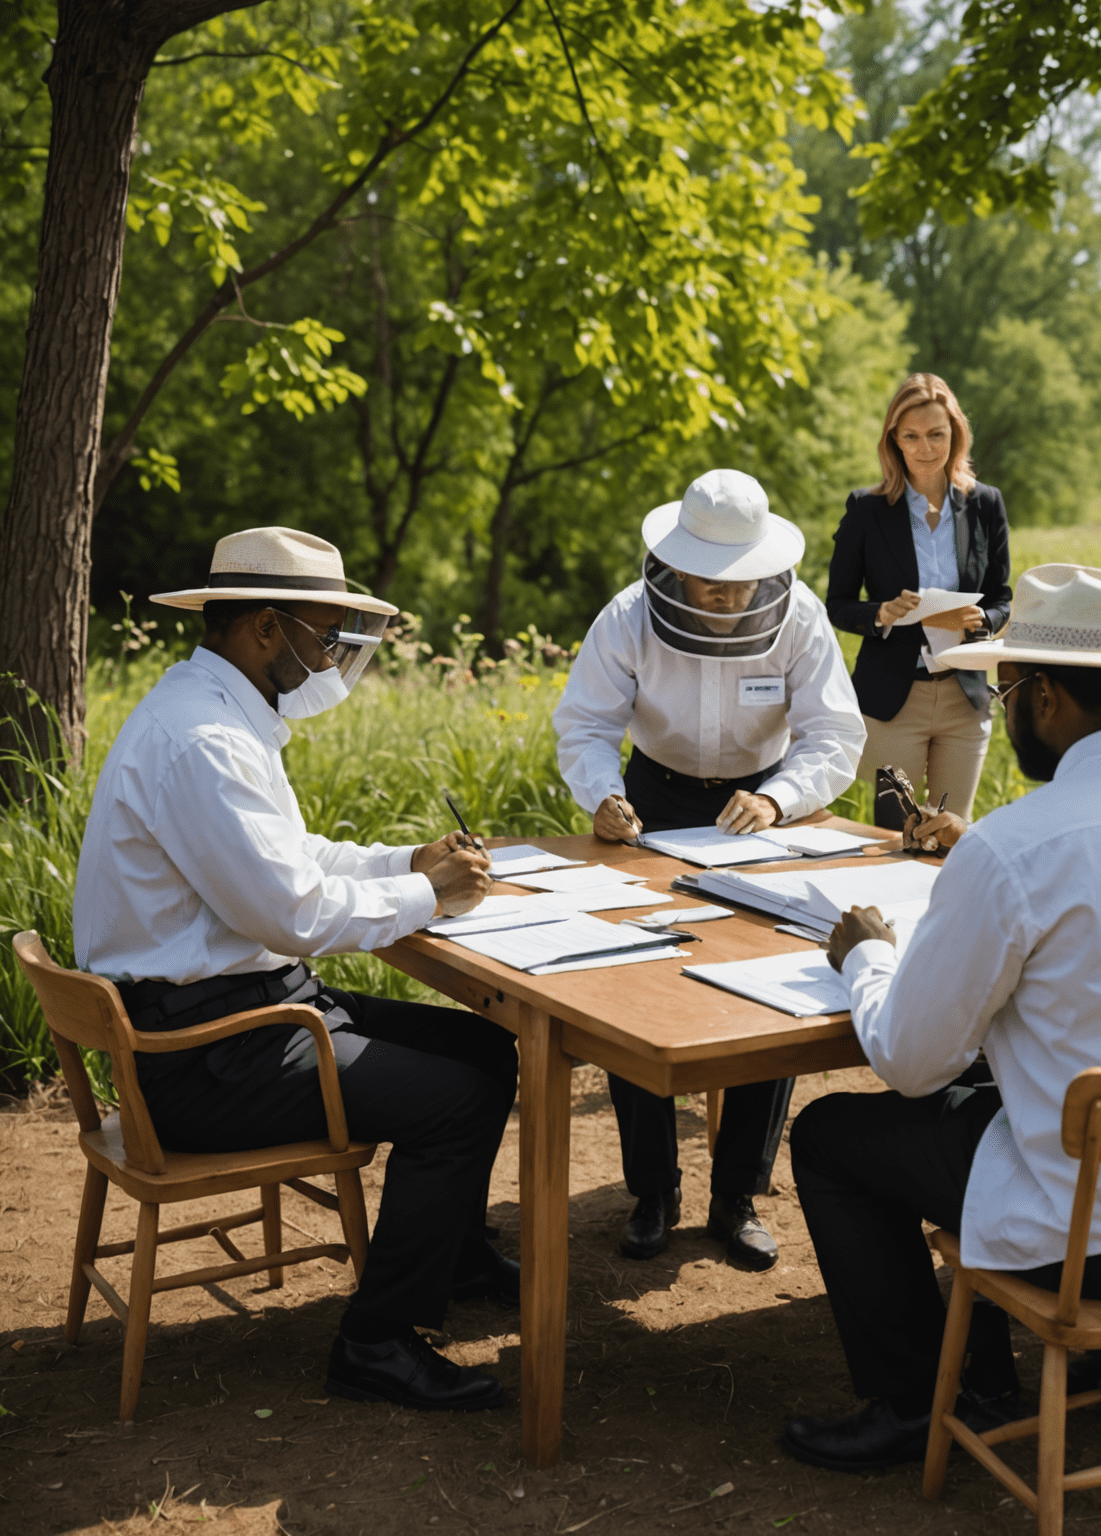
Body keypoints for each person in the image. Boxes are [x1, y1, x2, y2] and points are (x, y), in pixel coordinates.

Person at [779, 563, 1101, 1473]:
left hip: (1087, 1240)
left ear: (1049, 698)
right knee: (1007, 1085)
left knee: (832, 1134)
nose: (998, 705)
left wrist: (867, 955)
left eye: (1005, 685)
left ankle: (924, 1400)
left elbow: (911, 1061)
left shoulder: (1014, 845)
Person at [73, 527, 521, 1414]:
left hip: (239, 1012)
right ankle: (377, 1343)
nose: (336, 659)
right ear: (266, 630)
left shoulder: (221, 712)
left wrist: (404, 862)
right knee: (458, 1101)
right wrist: (431, 896)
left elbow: (292, 858)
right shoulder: (203, 740)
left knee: (482, 1049)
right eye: (327, 635)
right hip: (206, 1052)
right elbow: (288, 913)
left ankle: (450, 1256)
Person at [553, 469, 865, 1270]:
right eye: (709, 582)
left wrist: (782, 798)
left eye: (740, 584)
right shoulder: (627, 616)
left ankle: (738, 1196)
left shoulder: (802, 618)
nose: (725, 596)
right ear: (675, 563)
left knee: (773, 990)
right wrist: (603, 795)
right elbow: (585, 723)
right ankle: (652, 1191)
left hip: (759, 809)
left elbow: (835, 734)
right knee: (635, 988)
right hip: (651, 796)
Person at [825, 373, 1012, 830]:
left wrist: (984, 619)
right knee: (893, 834)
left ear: (956, 435)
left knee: (952, 831)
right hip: (893, 699)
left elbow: (1002, 597)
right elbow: (838, 603)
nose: (925, 447)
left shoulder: (985, 504)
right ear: (893, 440)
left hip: (963, 695)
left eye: (936, 435)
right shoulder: (866, 509)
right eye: (911, 436)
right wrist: (882, 614)